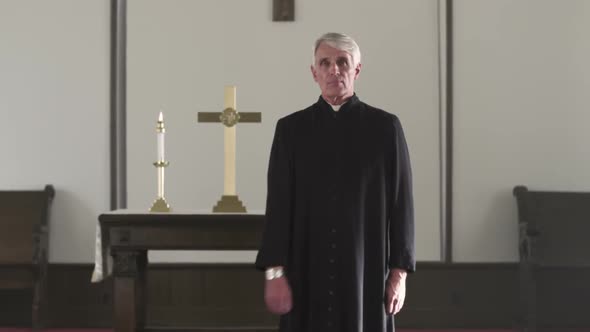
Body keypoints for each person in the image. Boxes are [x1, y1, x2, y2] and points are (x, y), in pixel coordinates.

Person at [255, 32, 415, 332]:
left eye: (342, 62)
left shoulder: (385, 129)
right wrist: (274, 274)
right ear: (314, 72)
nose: (334, 70)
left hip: (365, 270)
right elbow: (278, 206)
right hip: (305, 269)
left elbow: (401, 205)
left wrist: (399, 275)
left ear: (356, 69)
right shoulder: (290, 131)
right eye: (325, 63)